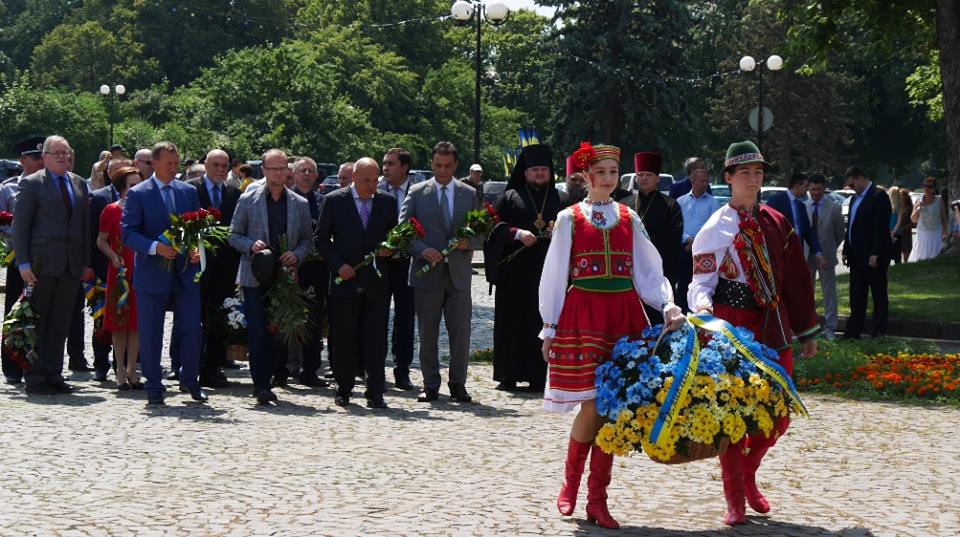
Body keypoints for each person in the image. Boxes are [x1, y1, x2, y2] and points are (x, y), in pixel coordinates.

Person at [540, 143, 683, 529]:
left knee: (614, 407)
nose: (607, 179)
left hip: (622, 314)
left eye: (612, 172)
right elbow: (554, 273)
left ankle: (597, 499)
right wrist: (549, 326)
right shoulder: (569, 218)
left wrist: (666, 303)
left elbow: (647, 269)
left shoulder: (628, 216)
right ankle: (571, 485)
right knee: (592, 405)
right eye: (600, 172)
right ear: (586, 177)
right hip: (583, 313)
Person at [689, 140, 820, 526]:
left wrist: (807, 329)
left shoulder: (776, 223)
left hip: (773, 324)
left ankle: (748, 473)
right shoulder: (715, 228)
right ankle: (734, 498)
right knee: (732, 414)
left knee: (779, 413)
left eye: (758, 173)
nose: (752, 180)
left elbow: (796, 280)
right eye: (744, 173)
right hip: (732, 325)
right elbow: (701, 279)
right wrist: (703, 309)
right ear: (728, 178)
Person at [122, 141, 207, 405]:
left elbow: (198, 227)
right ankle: (154, 386)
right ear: (154, 164)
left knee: (193, 328)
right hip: (151, 273)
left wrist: (196, 249)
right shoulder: (138, 193)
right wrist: (154, 247)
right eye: (168, 163)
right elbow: (127, 232)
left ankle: (191, 380)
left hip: (184, 272)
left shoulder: (187, 192)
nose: (173, 168)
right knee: (151, 332)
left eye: (176, 163)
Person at [228, 149, 313, 404]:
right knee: (256, 331)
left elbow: (308, 239)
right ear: (263, 170)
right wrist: (251, 245)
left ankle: (276, 374)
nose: (278, 173)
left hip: (284, 276)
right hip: (254, 275)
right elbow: (233, 235)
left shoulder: (300, 203)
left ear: (288, 170)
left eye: (282, 168)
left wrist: (296, 255)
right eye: (273, 168)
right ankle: (261, 384)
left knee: (279, 332)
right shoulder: (248, 198)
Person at [399, 141, 481, 404]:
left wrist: (470, 243)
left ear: (455, 165)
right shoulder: (417, 191)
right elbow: (403, 231)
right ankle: (430, 384)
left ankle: (458, 383)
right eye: (437, 165)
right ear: (431, 164)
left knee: (461, 333)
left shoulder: (468, 193)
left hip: (458, 273)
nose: (442, 170)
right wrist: (422, 250)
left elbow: (482, 230)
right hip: (427, 271)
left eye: (447, 166)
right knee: (428, 332)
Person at [13, 135, 93, 395]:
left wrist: (85, 263)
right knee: (37, 323)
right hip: (40, 265)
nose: (62, 157)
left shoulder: (79, 183)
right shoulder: (32, 184)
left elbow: (84, 227)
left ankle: (54, 374)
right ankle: (35, 377)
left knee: (61, 323)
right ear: (44, 156)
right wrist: (23, 264)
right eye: (56, 152)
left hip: (70, 266)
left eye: (66, 152)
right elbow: (21, 227)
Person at [316, 158, 397, 408]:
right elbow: (321, 240)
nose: (372, 185)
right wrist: (338, 264)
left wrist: (390, 250)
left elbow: (393, 237)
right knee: (343, 337)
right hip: (345, 281)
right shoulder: (335, 200)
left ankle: (375, 390)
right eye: (366, 180)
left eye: (375, 180)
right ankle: (344, 387)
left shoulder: (386, 202)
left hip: (375, 283)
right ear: (354, 178)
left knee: (375, 338)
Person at [488, 143, 563, 392]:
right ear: (525, 172)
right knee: (512, 323)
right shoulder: (509, 197)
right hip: (515, 274)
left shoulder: (560, 199)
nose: (540, 174)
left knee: (543, 323)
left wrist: (560, 233)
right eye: (535, 170)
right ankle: (508, 374)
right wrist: (516, 233)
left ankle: (539, 376)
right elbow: (492, 230)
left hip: (548, 272)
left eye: (544, 169)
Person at [186, 149, 242, 388]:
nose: (220, 169)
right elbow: (182, 226)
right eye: (215, 164)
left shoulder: (234, 193)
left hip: (225, 267)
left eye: (224, 165)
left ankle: (212, 367)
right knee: (192, 318)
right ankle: (188, 366)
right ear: (205, 165)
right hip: (197, 265)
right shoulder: (191, 189)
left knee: (219, 319)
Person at [0, 136, 46, 385]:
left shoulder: (51, 185)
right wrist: (15, 233)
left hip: (46, 258)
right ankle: (12, 366)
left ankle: (39, 365)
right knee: (15, 313)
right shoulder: (8, 188)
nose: (40, 162)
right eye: (35, 157)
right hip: (18, 258)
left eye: (42, 157)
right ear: (22, 161)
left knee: (42, 312)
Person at [97, 167, 143, 390]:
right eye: (132, 185)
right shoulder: (111, 210)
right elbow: (101, 240)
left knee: (137, 324)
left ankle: (133, 369)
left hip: (142, 270)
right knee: (119, 323)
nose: (136, 189)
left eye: (139, 184)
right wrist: (113, 256)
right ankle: (120, 371)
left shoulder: (145, 210)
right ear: (122, 188)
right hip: (120, 272)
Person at [378, 147, 417, 390]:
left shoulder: (417, 191)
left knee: (405, 317)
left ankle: (402, 370)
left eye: (391, 164)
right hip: (381, 261)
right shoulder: (376, 189)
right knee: (378, 317)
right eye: (384, 163)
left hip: (407, 262)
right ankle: (374, 366)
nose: (385, 168)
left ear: (404, 167)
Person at [290, 156, 329, 387]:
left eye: (310, 171)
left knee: (313, 320)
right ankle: (284, 367)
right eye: (302, 170)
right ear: (293, 174)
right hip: (290, 266)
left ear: (315, 176)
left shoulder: (324, 202)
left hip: (317, 269)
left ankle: (310, 369)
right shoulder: (284, 199)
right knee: (286, 317)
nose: (306, 174)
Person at [631, 151, 683, 324]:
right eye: (641, 174)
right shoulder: (624, 204)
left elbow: (673, 240)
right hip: (630, 271)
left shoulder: (670, 205)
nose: (644, 178)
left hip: (660, 270)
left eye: (649, 175)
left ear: (657, 179)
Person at [842, 166, 893, 339]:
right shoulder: (854, 200)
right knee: (857, 295)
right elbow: (851, 226)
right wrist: (846, 250)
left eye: (852, 183)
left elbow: (881, 228)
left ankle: (878, 330)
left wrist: (876, 253)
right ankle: (853, 330)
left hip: (873, 256)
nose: (851, 188)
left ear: (860, 178)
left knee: (878, 293)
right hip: (856, 256)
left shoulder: (878, 196)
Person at [676, 162, 720, 312]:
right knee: (683, 284)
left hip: (704, 252)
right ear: (692, 181)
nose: (705, 184)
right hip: (684, 250)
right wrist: (688, 240)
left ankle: (701, 314)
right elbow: (677, 226)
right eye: (702, 181)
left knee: (702, 284)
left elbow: (714, 226)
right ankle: (682, 314)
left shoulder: (713, 203)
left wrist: (697, 243)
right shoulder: (681, 201)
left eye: (707, 181)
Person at [805, 174, 845, 339]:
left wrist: (829, 249)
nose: (815, 193)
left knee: (829, 293)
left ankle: (830, 327)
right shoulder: (803, 206)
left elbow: (840, 233)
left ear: (824, 189)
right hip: (807, 256)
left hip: (826, 256)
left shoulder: (834, 207)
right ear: (809, 188)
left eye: (819, 189)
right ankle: (809, 327)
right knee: (807, 293)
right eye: (813, 189)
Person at [766, 173, 825, 269]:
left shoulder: (801, 206)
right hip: (780, 254)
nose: (808, 190)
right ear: (797, 186)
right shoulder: (776, 200)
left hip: (797, 254)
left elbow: (807, 231)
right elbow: (767, 226)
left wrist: (818, 252)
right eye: (806, 186)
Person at [908, 177, 949, 262]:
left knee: (935, 257)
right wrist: (918, 208)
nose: (926, 188)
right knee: (921, 257)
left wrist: (946, 232)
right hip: (922, 233)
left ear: (933, 189)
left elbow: (943, 217)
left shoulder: (939, 199)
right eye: (925, 186)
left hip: (935, 233)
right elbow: (913, 220)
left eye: (929, 187)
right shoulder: (918, 200)